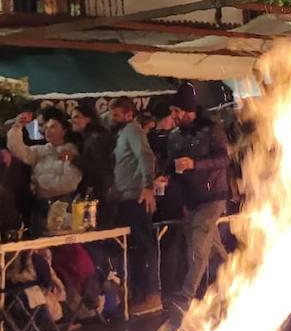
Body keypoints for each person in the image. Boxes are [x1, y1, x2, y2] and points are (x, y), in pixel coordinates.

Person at [164, 82, 229, 311]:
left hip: (213, 196)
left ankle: (186, 295)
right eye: (171, 111)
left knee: (197, 244)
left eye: (176, 111)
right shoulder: (174, 136)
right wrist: (165, 177)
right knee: (210, 244)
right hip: (191, 198)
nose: (173, 115)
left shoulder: (212, 129)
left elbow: (224, 159)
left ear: (188, 111)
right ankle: (232, 276)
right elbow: (171, 165)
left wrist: (195, 164)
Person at [108, 97, 161, 316]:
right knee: (135, 249)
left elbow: (146, 156)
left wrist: (148, 187)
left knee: (144, 247)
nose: (113, 118)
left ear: (129, 114)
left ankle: (151, 295)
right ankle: (139, 294)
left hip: (135, 198)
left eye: (117, 114)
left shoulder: (132, 130)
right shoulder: (122, 134)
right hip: (125, 198)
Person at [6, 110, 82, 234]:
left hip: (63, 207)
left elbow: (70, 182)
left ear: (64, 131)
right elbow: (19, 150)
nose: (48, 130)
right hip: (40, 207)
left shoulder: (70, 152)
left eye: (53, 127)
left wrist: (39, 182)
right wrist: (17, 127)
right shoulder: (41, 151)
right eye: (46, 127)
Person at [70, 104, 115, 203]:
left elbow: (99, 166)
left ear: (89, 119)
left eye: (76, 117)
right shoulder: (88, 138)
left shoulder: (95, 138)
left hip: (100, 191)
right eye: (71, 117)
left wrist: (73, 159)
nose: (72, 121)